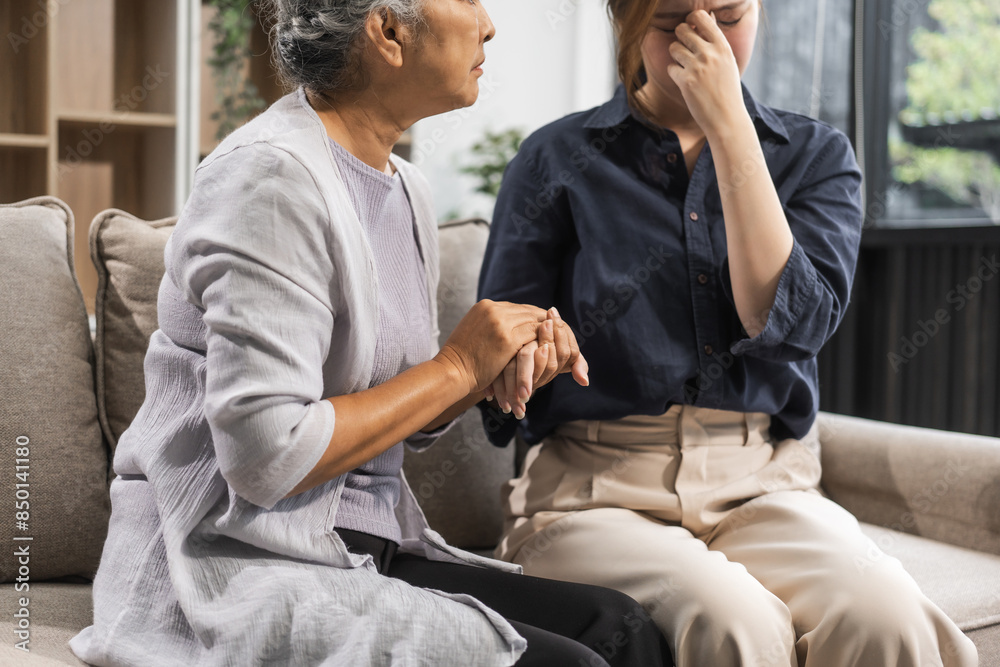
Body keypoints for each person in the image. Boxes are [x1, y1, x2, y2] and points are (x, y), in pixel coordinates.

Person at [69, 1, 675, 665]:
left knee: (623, 627)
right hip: (237, 562)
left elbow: (390, 405)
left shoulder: (404, 188)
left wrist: (487, 369)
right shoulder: (268, 179)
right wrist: (455, 367)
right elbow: (267, 457)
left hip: (359, 544)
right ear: (386, 30)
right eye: (468, 0)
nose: (489, 24)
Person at [477, 1, 979, 665]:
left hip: (763, 482)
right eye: (673, 19)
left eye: (729, 13)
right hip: (596, 490)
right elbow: (493, 367)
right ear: (626, 22)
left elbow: (790, 324)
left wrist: (730, 127)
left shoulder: (814, 156)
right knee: (732, 619)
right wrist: (526, 356)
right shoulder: (554, 159)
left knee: (884, 614)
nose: (705, 37)